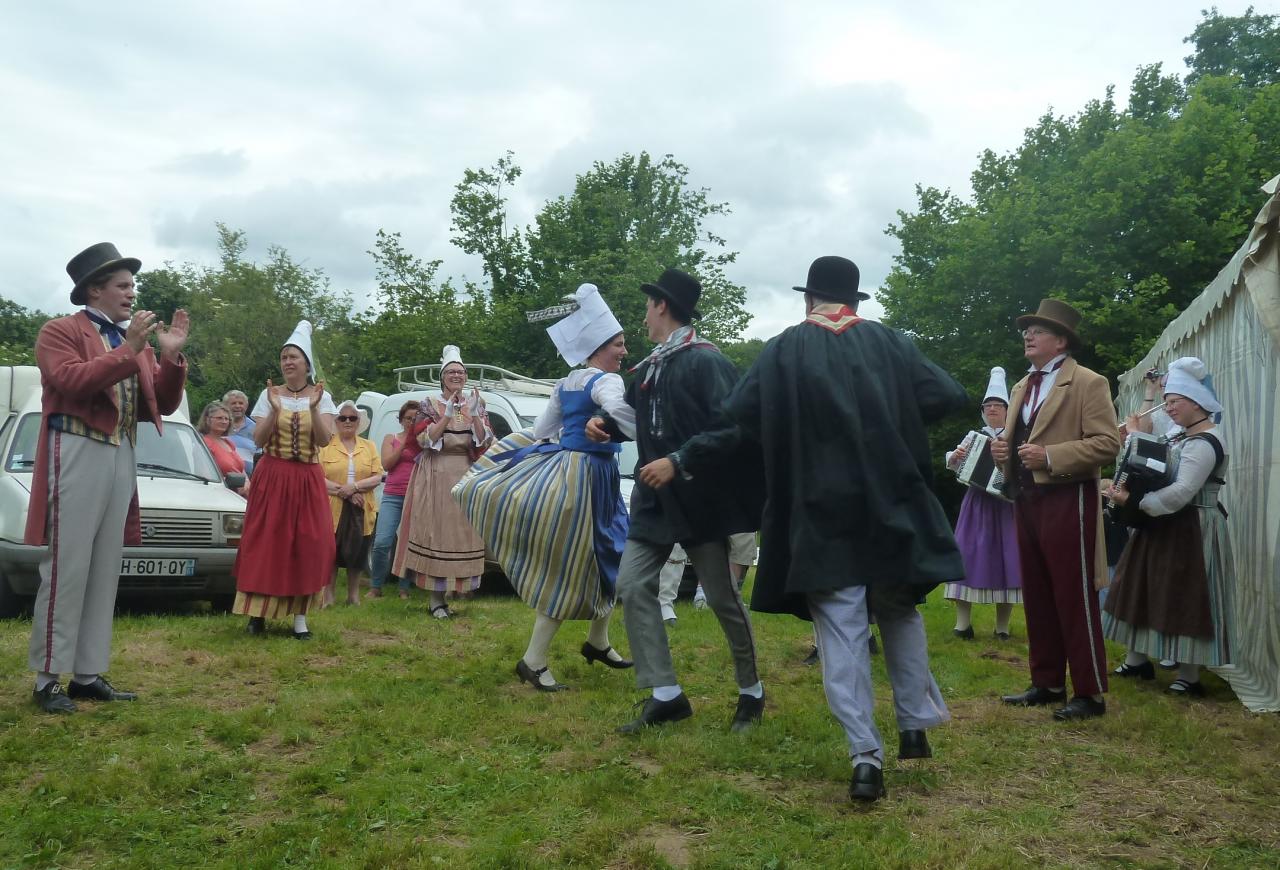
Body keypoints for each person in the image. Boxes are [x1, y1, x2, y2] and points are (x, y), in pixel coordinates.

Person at [648, 255, 967, 802]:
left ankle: (866, 759)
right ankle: (913, 723)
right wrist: (893, 420)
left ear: (808, 298)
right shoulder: (892, 343)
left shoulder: (785, 349)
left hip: (821, 510)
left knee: (841, 625)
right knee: (898, 609)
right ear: (855, 300)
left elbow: (737, 416)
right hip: (892, 503)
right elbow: (949, 395)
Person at [586, 268, 765, 735]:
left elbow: (734, 429)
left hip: (698, 498)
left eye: (647, 306)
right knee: (631, 584)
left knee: (722, 598)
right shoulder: (650, 367)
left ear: (661, 305)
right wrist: (603, 423)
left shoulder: (707, 362)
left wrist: (679, 459)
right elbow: (639, 420)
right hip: (653, 500)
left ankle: (752, 691)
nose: (643, 315)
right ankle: (666, 694)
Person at [26, 242, 189, 713]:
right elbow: (72, 381)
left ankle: (88, 674)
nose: (131, 292)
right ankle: (46, 678)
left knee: (103, 568)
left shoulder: (125, 338)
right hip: (75, 446)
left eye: (131, 285)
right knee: (67, 565)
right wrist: (132, 349)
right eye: (122, 285)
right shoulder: (60, 331)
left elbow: (160, 402)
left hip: (120, 450)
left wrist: (171, 359)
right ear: (93, 289)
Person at [454, 283, 635, 690]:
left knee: (611, 558)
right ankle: (533, 661)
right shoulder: (608, 383)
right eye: (619, 344)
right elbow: (627, 419)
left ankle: (597, 641)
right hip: (590, 480)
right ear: (600, 345)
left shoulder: (566, 382)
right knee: (577, 567)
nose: (624, 351)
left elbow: (540, 430)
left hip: (577, 475)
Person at [990, 300, 1121, 721]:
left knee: (1073, 592)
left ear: (1061, 340)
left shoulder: (1088, 382)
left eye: (1038, 330)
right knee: (1038, 592)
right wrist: (1001, 453)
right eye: (1026, 330)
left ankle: (1089, 692)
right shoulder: (1021, 386)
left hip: (1068, 496)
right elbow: (1018, 445)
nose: (1027, 335)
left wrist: (1049, 456)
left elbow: (1107, 443)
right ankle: (1046, 682)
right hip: (1025, 497)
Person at [1103, 357, 1233, 697]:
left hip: (1194, 527)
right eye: (1169, 400)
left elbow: (1180, 493)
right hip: (1163, 526)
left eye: (1175, 402)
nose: (1169, 407)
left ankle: (1189, 674)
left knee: (1187, 596)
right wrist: (1133, 438)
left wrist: (1131, 502)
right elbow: (1150, 457)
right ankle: (1137, 659)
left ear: (1196, 403)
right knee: (1141, 587)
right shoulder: (1180, 435)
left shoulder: (1206, 443)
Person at [233, 321, 337, 639]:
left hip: (307, 476)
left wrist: (316, 409)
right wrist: (276, 410)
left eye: (293, 357)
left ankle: (300, 618)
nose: (288, 362)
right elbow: (260, 439)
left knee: (307, 544)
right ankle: (257, 614)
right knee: (266, 543)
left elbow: (323, 441)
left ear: (306, 363)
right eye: (284, 357)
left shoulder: (322, 396)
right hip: (274, 474)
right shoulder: (270, 395)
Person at [393, 345, 494, 618]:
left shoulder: (477, 402)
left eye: (460, 372)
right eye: (451, 372)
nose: (456, 376)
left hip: (465, 471)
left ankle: (454, 592)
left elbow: (486, 440)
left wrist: (473, 415)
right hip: (436, 472)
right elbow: (423, 439)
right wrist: (447, 414)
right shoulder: (428, 404)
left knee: (461, 534)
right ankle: (435, 599)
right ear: (442, 376)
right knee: (436, 532)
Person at [943, 366, 1021, 640]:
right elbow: (955, 463)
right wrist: (955, 457)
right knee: (967, 554)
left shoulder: (1016, 436)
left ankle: (1002, 628)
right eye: (988, 406)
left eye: (998, 405)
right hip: (976, 504)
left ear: (1007, 409)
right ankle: (963, 624)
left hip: (1005, 507)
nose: (992, 409)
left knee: (1008, 558)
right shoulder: (975, 436)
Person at [318, 400, 384, 607]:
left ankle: (353, 596)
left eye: (352, 418)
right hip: (332, 506)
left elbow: (377, 476)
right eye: (343, 418)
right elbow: (317, 478)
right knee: (331, 551)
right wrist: (345, 492)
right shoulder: (325, 447)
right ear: (335, 421)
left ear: (358, 422)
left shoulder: (369, 446)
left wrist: (354, 487)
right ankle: (328, 596)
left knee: (358, 551)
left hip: (362, 507)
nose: (348, 421)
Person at [370, 400, 421, 599]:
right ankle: (376, 586)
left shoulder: (424, 441)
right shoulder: (391, 438)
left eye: (416, 419)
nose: (411, 422)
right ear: (401, 420)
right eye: (408, 418)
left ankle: (404, 588)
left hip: (415, 496)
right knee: (383, 541)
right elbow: (387, 464)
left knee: (408, 542)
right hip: (392, 495)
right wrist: (405, 443)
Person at [197, 400, 249, 496]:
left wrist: (246, 483)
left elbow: (241, 471)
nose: (224, 421)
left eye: (226, 419)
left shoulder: (229, 443)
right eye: (219, 418)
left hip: (240, 496)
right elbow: (205, 475)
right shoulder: (203, 443)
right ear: (207, 420)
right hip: (220, 494)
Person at [223, 389, 256, 474]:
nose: (237, 406)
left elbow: (259, 456)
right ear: (225, 405)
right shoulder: (219, 426)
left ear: (246, 406)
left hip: (248, 480)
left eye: (241, 403)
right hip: (221, 478)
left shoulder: (255, 428)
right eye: (233, 403)